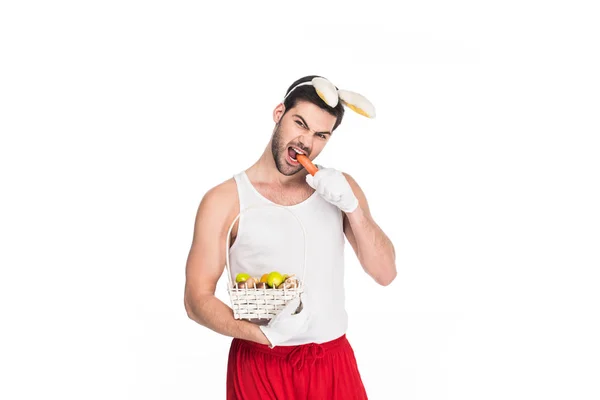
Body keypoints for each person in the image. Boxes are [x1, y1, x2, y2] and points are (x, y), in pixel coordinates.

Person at [184, 75, 396, 399]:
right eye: (300, 123)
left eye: (321, 134)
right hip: (259, 364)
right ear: (278, 112)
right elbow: (196, 299)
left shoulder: (340, 190)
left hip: (332, 362)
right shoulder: (225, 200)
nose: (306, 142)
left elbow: (385, 273)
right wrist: (262, 334)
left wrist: (353, 208)